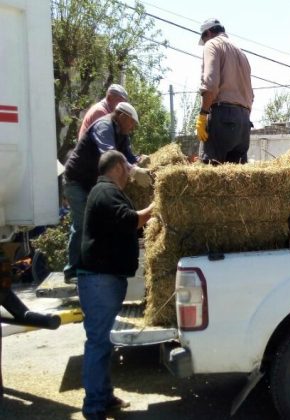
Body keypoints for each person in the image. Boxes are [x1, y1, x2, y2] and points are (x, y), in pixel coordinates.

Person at [77, 150, 154, 420]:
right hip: (100, 281)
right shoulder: (106, 192)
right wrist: (158, 206)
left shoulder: (104, 191)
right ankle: (94, 408)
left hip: (104, 280)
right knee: (98, 342)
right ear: (119, 166)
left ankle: (104, 396)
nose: (131, 173)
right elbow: (130, 220)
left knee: (103, 342)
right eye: (128, 167)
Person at [63, 102, 151, 281]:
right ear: (122, 116)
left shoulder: (122, 134)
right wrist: (134, 171)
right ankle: (71, 270)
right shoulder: (104, 126)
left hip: (92, 182)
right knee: (82, 223)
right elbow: (108, 153)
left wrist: (139, 162)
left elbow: (128, 156)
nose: (133, 127)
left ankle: (92, 266)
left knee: (98, 224)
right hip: (77, 180)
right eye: (132, 122)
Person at [195, 18, 254, 164]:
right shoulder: (241, 52)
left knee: (211, 177)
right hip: (244, 123)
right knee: (235, 180)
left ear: (208, 33)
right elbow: (250, 95)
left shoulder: (212, 44)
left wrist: (203, 115)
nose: (204, 41)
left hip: (223, 118)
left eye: (204, 38)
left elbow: (211, 85)